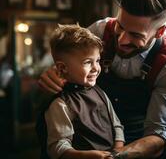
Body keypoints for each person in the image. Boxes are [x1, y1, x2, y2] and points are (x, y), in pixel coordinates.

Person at [38, 0, 166, 159]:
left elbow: (158, 134)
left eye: (135, 35)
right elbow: (67, 63)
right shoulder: (100, 31)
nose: (122, 39)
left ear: (159, 32)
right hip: (81, 137)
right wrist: (54, 74)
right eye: (120, 26)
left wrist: (116, 156)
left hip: (134, 144)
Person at [36, 24, 125, 159]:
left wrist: (118, 149)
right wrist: (85, 156)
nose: (96, 68)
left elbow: (116, 125)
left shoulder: (99, 92)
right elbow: (57, 146)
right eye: (88, 62)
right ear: (62, 68)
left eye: (98, 61)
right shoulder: (60, 103)